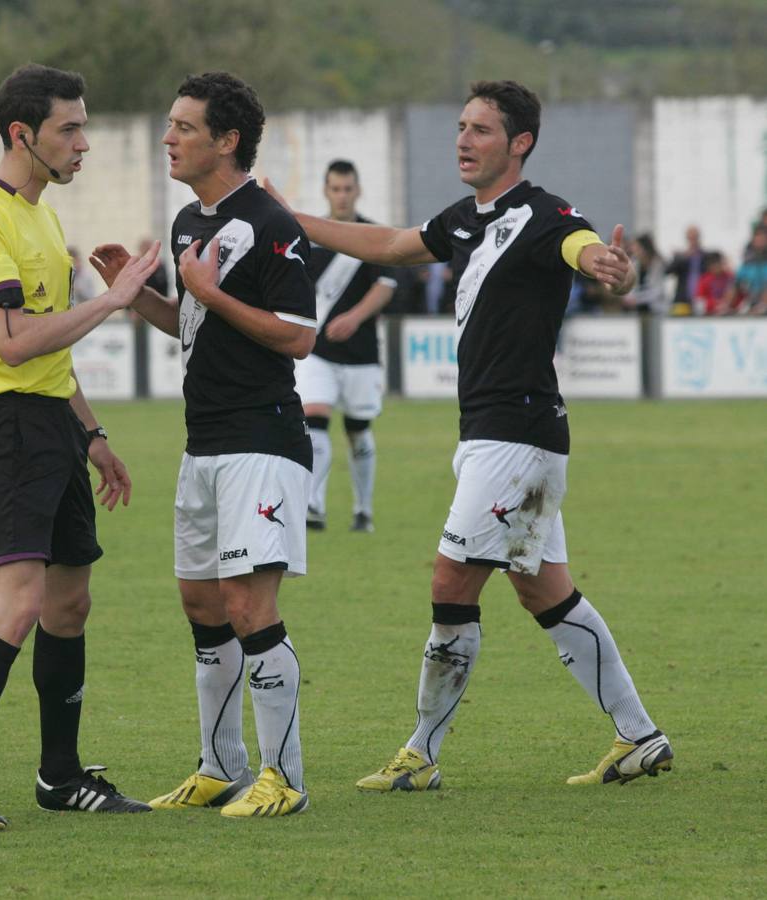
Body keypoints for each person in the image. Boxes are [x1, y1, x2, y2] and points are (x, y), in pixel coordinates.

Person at [266, 79, 673, 791]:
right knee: (544, 591)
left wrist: (610, 264)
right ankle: (639, 736)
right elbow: (390, 243)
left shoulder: (545, 215)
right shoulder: (463, 218)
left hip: (516, 432)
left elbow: (582, 246)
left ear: (519, 143)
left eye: (480, 129)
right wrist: (291, 218)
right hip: (500, 433)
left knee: (450, 577)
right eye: (460, 126)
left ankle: (420, 753)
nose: (462, 139)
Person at [0, 63, 160, 833]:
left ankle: (59, 776)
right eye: (70, 128)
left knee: (69, 603)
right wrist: (114, 299)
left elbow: (51, 353)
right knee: (19, 603)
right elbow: (15, 341)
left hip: (51, 423)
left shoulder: (40, 216)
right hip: (4, 426)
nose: (83, 143)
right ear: (22, 133)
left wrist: (90, 434)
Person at [93, 72, 317, 818]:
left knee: (249, 605)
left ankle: (283, 780)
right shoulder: (192, 219)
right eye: (169, 124)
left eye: (183, 127)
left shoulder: (271, 221)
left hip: (262, 437)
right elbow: (196, 322)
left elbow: (297, 334)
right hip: (203, 442)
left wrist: (210, 292)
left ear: (226, 140)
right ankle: (219, 766)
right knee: (201, 602)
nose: (168, 138)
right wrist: (136, 295)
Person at [297, 160, 396, 533]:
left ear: (357, 190)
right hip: (317, 352)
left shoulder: (372, 235)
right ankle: (313, 506)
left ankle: (363, 510)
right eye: (335, 189)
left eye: (347, 189)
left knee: (357, 429)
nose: (341, 195)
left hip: (361, 356)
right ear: (326, 190)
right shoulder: (311, 237)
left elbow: (386, 286)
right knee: (315, 419)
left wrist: (355, 316)